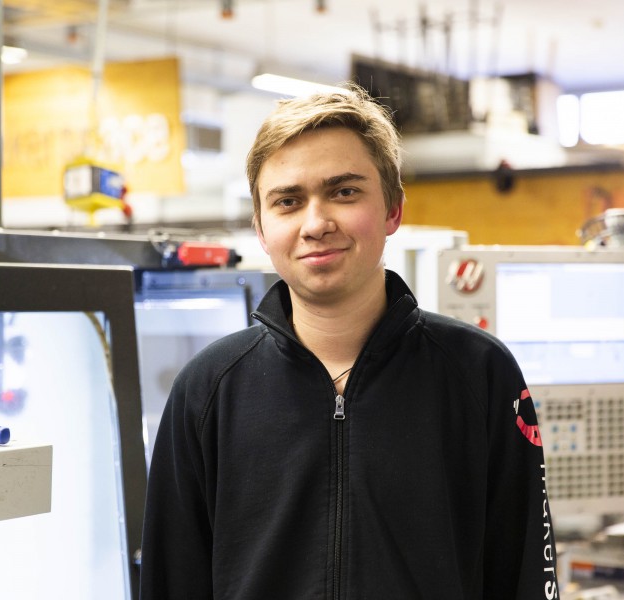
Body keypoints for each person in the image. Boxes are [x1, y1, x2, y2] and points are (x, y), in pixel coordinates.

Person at [140, 84, 558, 599]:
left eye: (343, 192)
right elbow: (170, 582)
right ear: (262, 229)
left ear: (392, 210)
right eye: (288, 201)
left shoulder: (480, 374)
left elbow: (523, 575)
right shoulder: (207, 391)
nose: (316, 224)